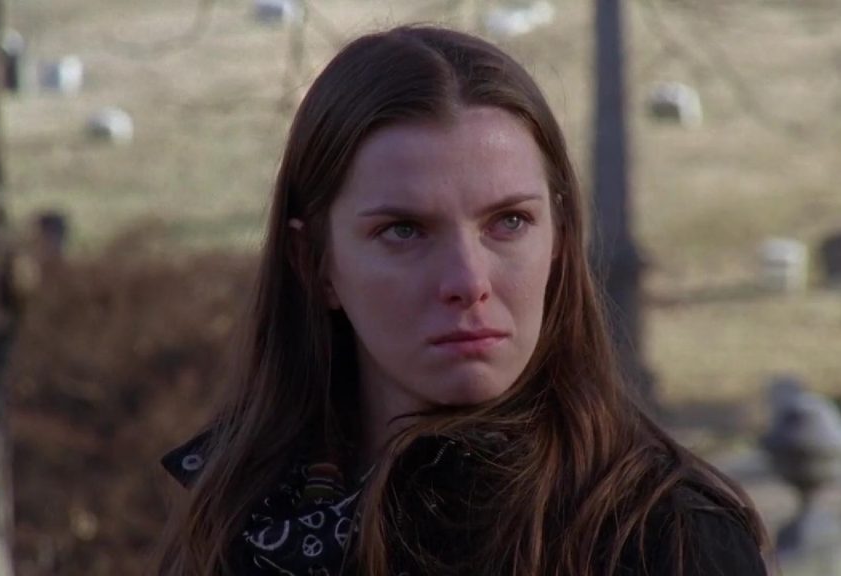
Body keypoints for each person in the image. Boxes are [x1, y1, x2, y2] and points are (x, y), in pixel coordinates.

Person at [156, 25, 772, 576]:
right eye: (403, 231)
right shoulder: (241, 527)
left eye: (509, 222)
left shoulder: (669, 541)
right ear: (314, 263)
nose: (467, 280)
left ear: (560, 239)